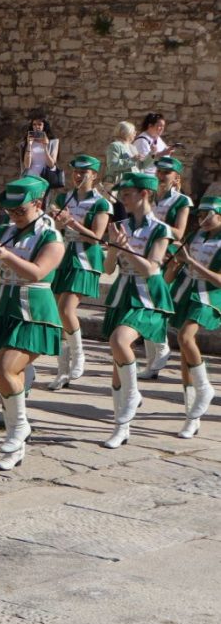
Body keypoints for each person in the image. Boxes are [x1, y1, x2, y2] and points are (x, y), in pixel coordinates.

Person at [0, 177, 64, 470]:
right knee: (5, 377)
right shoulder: (6, 231)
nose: (13, 215)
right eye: (9, 209)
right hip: (3, 307)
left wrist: (6, 256)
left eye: (19, 209)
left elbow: (37, 273)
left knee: (4, 369)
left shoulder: (51, 237)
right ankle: (15, 445)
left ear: (38, 203)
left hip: (34, 309)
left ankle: (20, 427)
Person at [99, 173, 174, 449]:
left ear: (144, 194)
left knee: (119, 341)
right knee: (117, 366)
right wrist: (112, 248)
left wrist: (126, 247)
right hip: (122, 293)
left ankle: (132, 394)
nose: (123, 199)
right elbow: (108, 269)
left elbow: (151, 269)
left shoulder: (160, 230)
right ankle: (121, 428)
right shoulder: (121, 225)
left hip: (148, 295)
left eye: (128, 194)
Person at [48, 155, 111, 389]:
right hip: (64, 257)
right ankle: (62, 371)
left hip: (85, 259)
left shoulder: (101, 203)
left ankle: (79, 354)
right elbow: (55, 229)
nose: (78, 175)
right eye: (75, 171)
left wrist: (71, 222)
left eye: (83, 172)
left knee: (66, 309)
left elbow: (96, 237)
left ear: (94, 175)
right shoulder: (64, 198)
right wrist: (56, 221)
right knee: (58, 315)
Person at [164, 195, 221, 438]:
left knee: (187, 338)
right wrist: (176, 261)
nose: (203, 219)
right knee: (184, 354)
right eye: (200, 214)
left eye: (209, 215)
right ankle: (191, 415)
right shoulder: (196, 235)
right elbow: (181, 265)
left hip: (209, 295)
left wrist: (190, 262)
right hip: (187, 291)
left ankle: (205, 388)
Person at [139, 155, 195, 379]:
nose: (161, 176)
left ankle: (161, 349)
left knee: (154, 303)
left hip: (168, 256)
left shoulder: (182, 201)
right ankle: (152, 360)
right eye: (159, 172)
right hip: (145, 254)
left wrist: (153, 221)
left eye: (166, 173)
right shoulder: (149, 197)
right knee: (144, 302)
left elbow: (180, 233)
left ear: (176, 177)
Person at [19, 113, 60, 184]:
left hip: (45, 179)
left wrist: (45, 146)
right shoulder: (25, 143)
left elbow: (51, 164)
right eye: (34, 124)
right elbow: (26, 165)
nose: (37, 127)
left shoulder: (53, 142)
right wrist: (29, 144)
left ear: (44, 126)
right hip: (30, 178)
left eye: (39, 124)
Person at [104, 121, 140, 189]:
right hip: (118, 184)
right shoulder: (115, 146)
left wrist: (152, 155)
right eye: (134, 131)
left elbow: (140, 166)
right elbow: (112, 165)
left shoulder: (132, 147)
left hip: (132, 184)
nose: (135, 134)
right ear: (127, 132)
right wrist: (132, 160)